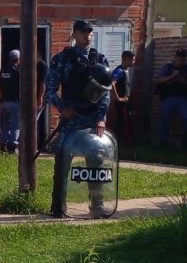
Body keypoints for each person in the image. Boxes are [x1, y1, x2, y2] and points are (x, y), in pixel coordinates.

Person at [44, 20, 111, 218]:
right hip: (71, 120)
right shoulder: (62, 59)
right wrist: (62, 108)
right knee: (63, 160)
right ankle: (58, 207)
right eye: (83, 32)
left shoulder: (100, 59)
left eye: (90, 32)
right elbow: (50, 90)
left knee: (96, 161)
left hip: (92, 120)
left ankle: (97, 206)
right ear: (74, 34)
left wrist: (101, 118)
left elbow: (106, 92)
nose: (87, 35)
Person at [154, 48, 187, 147]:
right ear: (175, 57)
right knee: (165, 119)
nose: (180, 61)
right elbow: (159, 80)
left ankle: (184, 142)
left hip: (182, 98)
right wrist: (172, 76)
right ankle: (163, 142)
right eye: (178, 59)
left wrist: (183, 81)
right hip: (168, 97)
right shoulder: (168, 67)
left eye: (182, 59)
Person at [0, 49, 21, 153]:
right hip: (15, 102)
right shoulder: (18, 71)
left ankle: (3, 146)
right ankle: (12, 147)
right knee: (15, 126)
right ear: (18, 59)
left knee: (5, 125)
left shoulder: (3, 70)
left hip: (4, 102)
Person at [109, 50, 135, 145]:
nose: (134, 62)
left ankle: (124, 142)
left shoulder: (127, 70)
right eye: (132, 60)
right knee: (122, 123)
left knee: (127, 122)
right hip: (121, 103)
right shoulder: (119, 71)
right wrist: (118, 98)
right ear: (126, 59)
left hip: (127, 102)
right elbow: (112, 84)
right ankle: (120, 143)